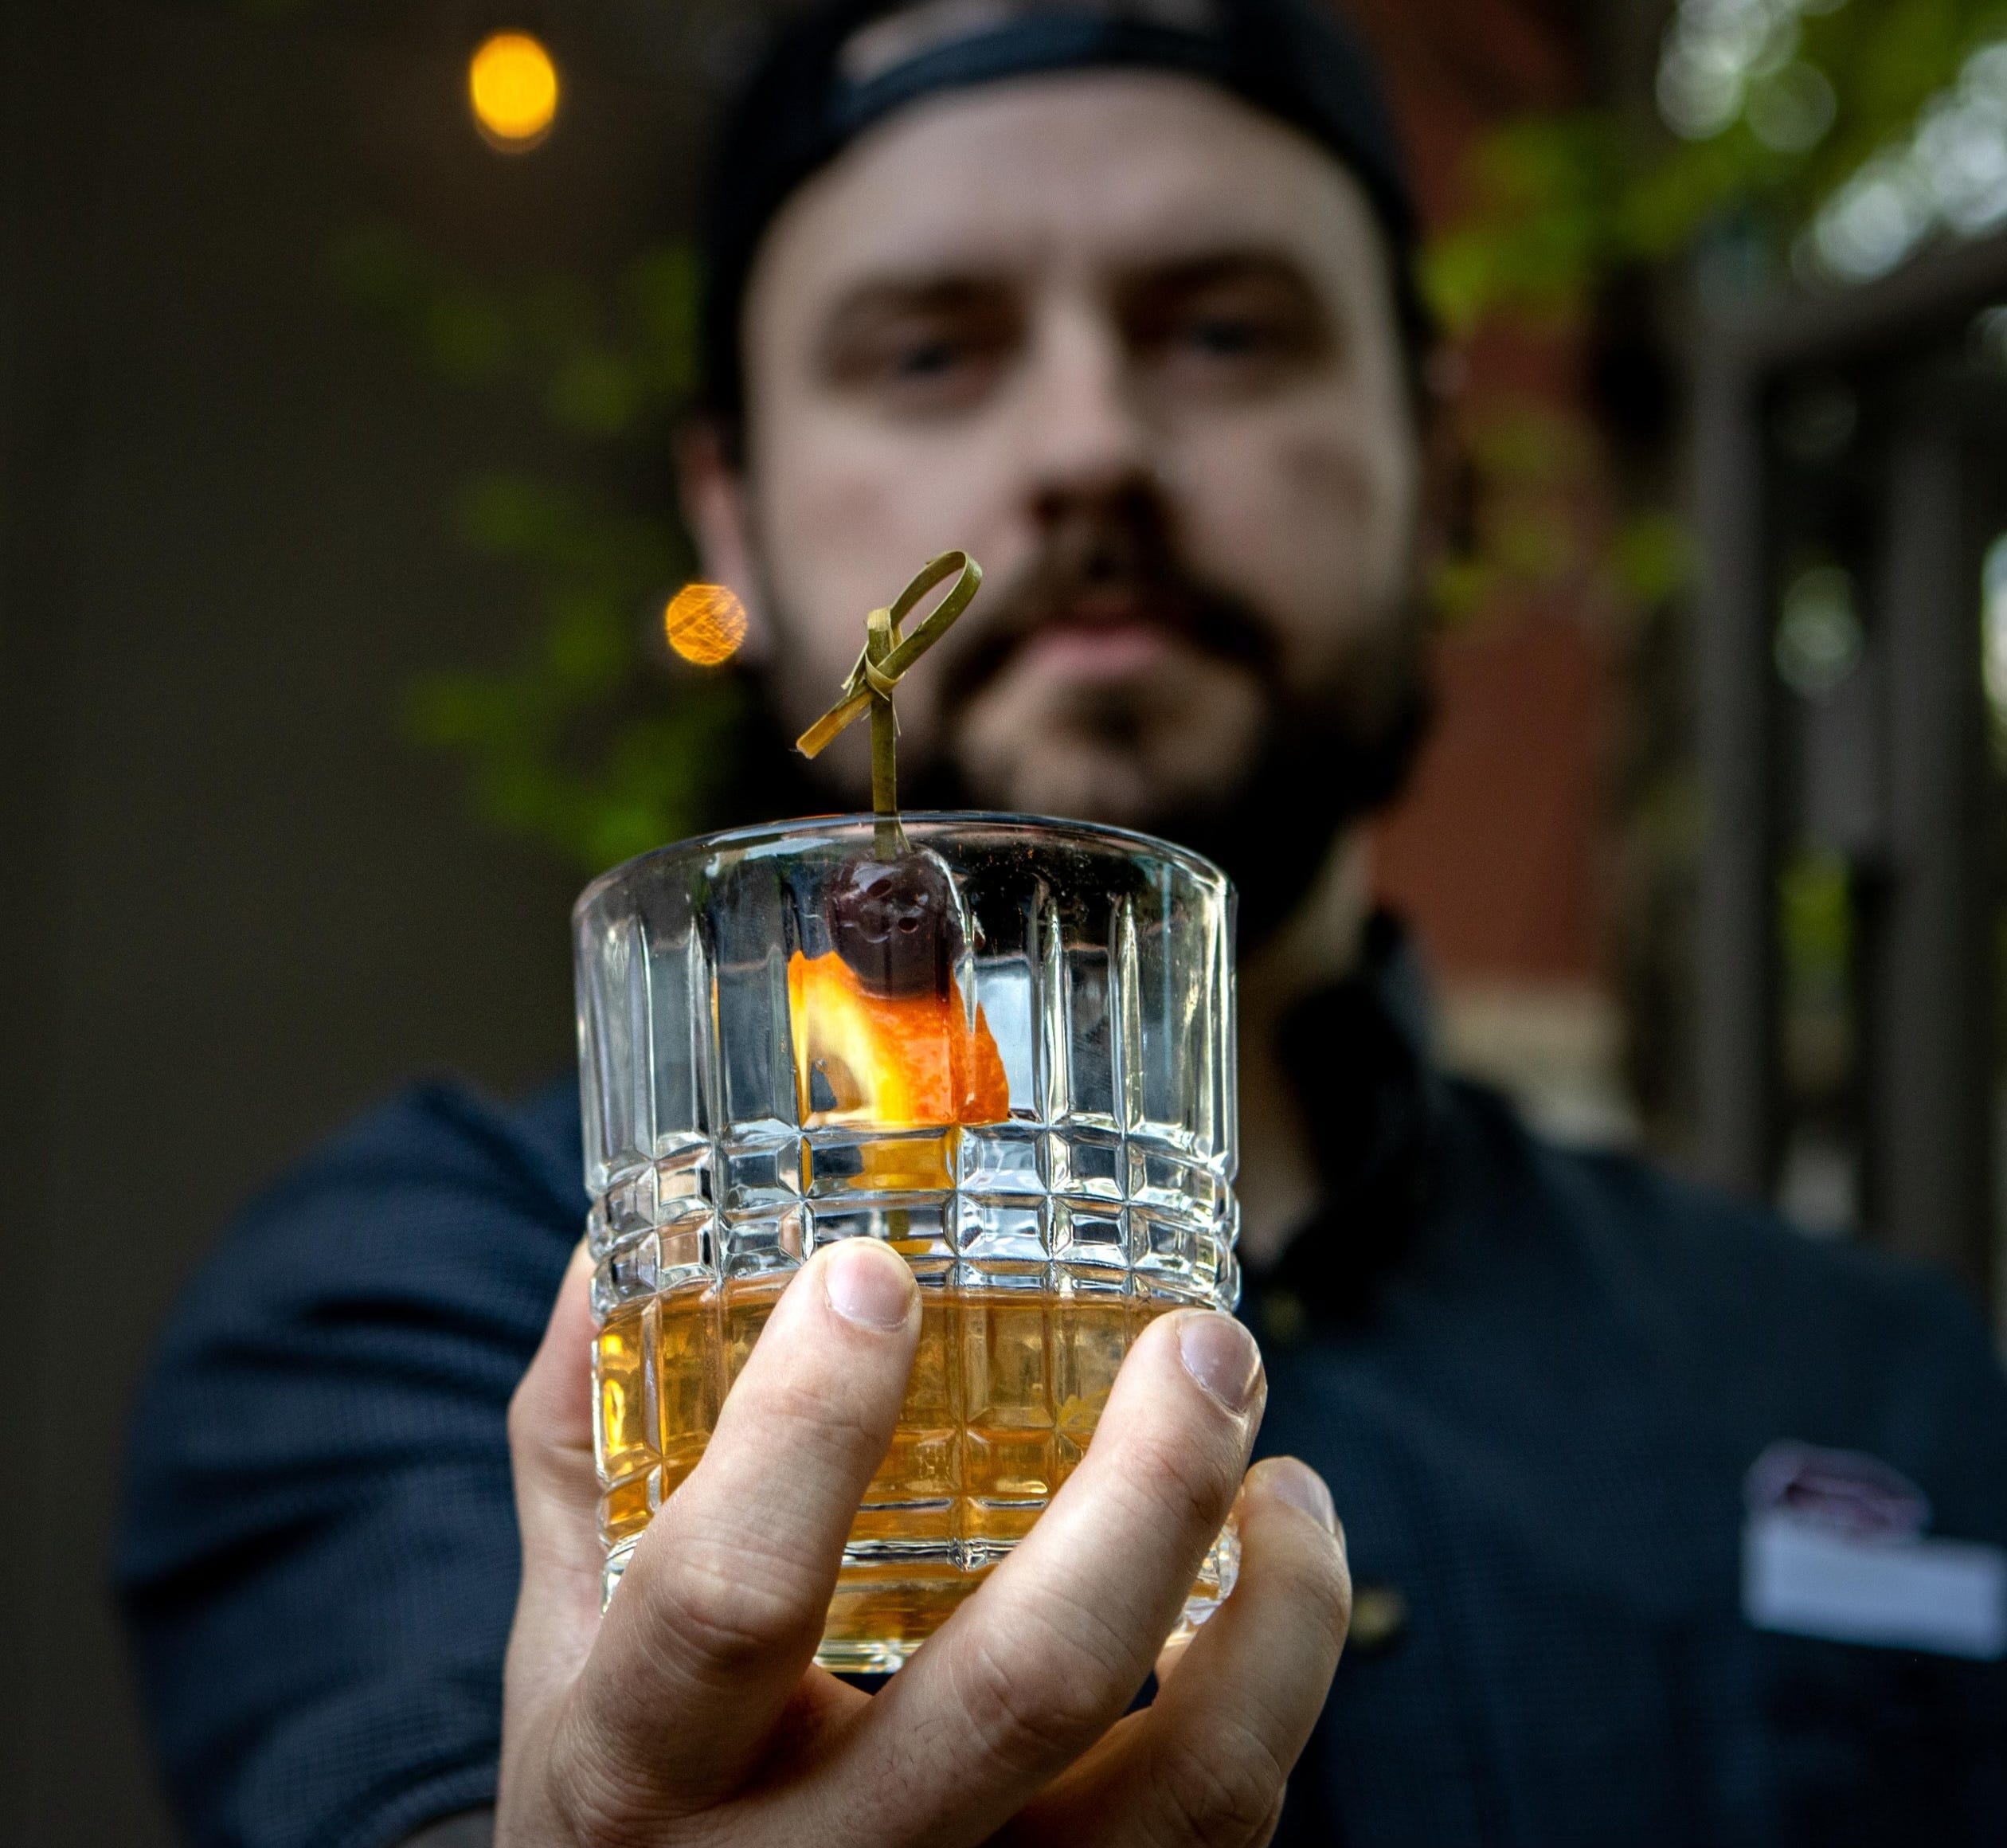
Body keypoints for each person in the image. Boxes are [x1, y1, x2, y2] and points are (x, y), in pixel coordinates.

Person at [119, 3, 2007, 1846]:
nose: (1093, 443)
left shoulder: (1877, 1383)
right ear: (731, 509)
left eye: (1225, 329)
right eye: (930, 350)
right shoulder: (431, 1307)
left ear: (1438, 468)